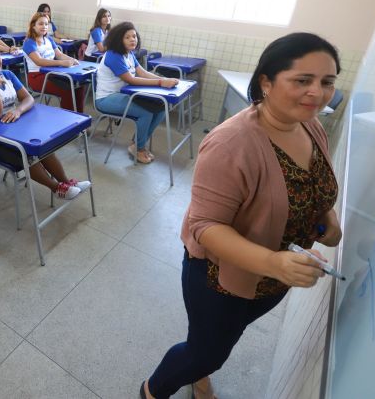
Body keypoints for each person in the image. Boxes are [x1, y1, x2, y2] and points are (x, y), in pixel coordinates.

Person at [141, 33, 343, 399]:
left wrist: (326, 214)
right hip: (221, 276)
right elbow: (205, 226)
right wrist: (273, 262)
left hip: (272, 276)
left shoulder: (311, 125)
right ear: (266, 81)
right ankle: (153, 390)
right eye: (302, 81)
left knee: (216, 338)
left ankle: (199, 364)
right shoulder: (231, 143)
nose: (318, 93)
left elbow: (310, 183)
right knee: (209, 350)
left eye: (327, 82)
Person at [0, 39, 90, 200]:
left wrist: (18, 110)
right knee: (26, 154)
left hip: (11, 128)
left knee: (42, 147)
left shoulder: (7, 75)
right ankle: (56, 188)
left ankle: (67, 183)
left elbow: (28, 98)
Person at [94, 22, 178, 164]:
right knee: (146, 113)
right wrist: (160, 83)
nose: (133, 39)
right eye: (127, 37)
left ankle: (136, 143)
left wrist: (163, 79)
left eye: (134, 36)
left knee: (160, 109)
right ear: (118, 40)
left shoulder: (129, 54)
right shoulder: (113, 55)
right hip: (106, 99)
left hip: (123, 95)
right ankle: (139, 148)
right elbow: (131, 79)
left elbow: (142, 72)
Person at [22, 12, 85, 113]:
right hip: (37, 76)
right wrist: (62, 63)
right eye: (41, 24)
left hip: (52, 73)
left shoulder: (48, 39)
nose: (44, 26)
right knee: (67, 90)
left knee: (78, 87)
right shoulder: (29, 42)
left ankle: (79, 118)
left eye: (46, 24)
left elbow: (59, 54)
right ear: (33, 26)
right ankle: (68, 121)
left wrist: (72, 59)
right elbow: (39, 61)